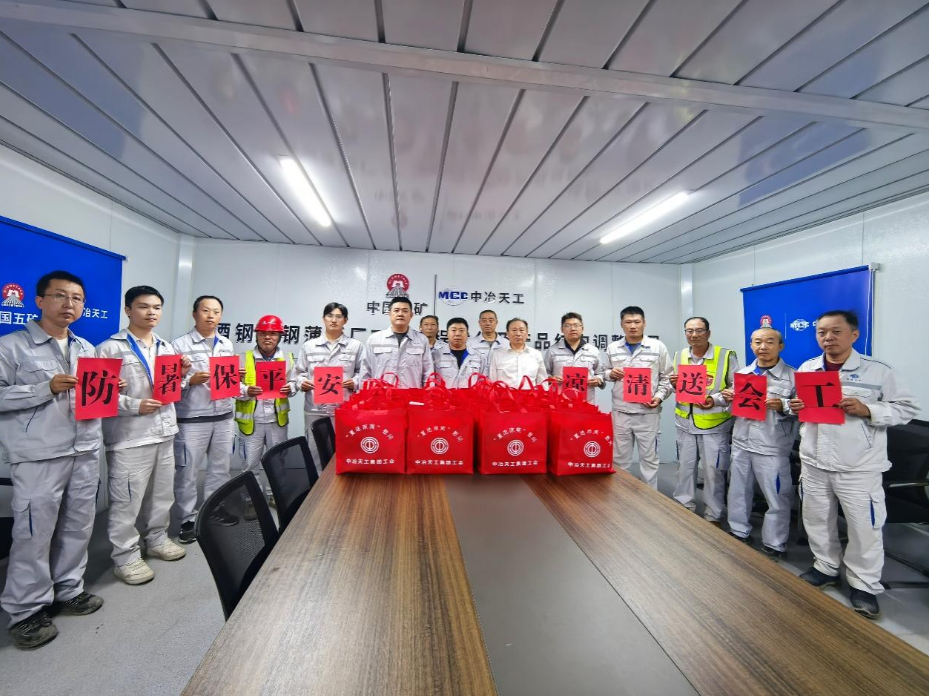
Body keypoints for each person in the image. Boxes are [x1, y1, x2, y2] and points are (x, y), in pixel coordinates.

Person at [790, 310, 918, 619]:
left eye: (835, 331)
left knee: (864, 528)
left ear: (854, 335)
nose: (828, 338)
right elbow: (801, 406)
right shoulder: (809, 368)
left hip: (858, 466)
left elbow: (907, 409)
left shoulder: (878, 371)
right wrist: (795, 406)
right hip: (815, 461)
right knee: (817, 519)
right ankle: (825, 566)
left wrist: (869, 410)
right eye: (821, 332)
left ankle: (863, 584)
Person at [0, 271, 104, 649]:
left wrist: (110, 389)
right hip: (39, 455)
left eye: (76, 298)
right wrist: (43, 388)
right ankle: (26, 610)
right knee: (33, 534)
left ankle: (68, 589)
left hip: (84, 450)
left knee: (78, 526)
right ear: (40, 301)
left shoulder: (86, 348)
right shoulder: (12, 347)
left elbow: (92, 399)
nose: (69, 304)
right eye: (60, 296)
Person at [97, 286, 190, 586]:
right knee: (127, 500)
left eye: (157, 307)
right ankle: (125, 557)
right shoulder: (109, 349)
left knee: (162, 494)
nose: (151, 312)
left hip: (164, 431)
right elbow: (97, 396)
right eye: (143, 306)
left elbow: (173, 388)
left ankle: (157, 539)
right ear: (127, 310)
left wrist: (182, 374)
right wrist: (133, 405)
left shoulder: (166, 347)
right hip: (130, 436)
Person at [722, 327, 797, 558]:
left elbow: (805, 410)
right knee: (738, 490)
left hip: (772, 445)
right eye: (757, 342)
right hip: (742, 442)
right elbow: (732, 408)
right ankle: (738, 530)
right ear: (751, 345)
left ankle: (774, 543)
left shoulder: (793, 377)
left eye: (769, 342)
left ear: (780, 346)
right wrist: (728, 398)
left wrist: (783, 405)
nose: (763, 347)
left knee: (777, 496)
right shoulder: (744, 374)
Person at [171, 295, 238, 545]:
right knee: (188, 471)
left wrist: (239, 381)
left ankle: (215, 510)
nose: (211, 316)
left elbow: (227, 380)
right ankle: (187, 519)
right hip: (192, 418)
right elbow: (169, 384)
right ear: (194, 314)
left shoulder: (226, 344)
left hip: (223, 416)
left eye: (216, 312)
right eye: (206, 311)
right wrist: (190, 380)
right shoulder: (178, 345)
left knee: (220, 468)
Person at [671, 317, 740, 524]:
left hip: (714, 425)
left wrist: (715, 399)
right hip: (685, 423)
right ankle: (684, 506)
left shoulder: (725, 355)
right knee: (685, 468)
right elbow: (678, 387)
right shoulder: (679, 355)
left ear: (708, 333)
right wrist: (674, 384)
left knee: (714, 472)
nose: (694, 335)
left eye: (699, 330)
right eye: (689, 331)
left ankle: (713, 514)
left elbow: (737, 387)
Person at [605, 306, 674, 489]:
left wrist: (659, 397)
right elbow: (604, 372)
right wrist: (610, 373)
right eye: (628, 322)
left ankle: (649, 500)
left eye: (637, 322)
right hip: (621, 412)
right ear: (621, 324)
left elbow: (667, 377)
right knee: (619, 460)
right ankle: (621, 497)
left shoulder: (657, 347)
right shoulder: (613, 348)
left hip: (647, 413)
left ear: (644, 323)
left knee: (649, 461)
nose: (633, 326)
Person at [235, 315, 295, 515]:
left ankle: (274, 495)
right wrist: (246, 391)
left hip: (277, 421)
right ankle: (250, 500)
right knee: (249, 463)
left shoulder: (287, 358)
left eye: (273, 334)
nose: (267, 337)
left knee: (277, 462)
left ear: (280, 337)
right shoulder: (242, 358)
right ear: (256, 335)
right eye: (263, 333)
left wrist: (291, 388)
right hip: (251, 422)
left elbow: (295, 382)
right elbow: (231, 387)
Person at [292, 302, 363, 470]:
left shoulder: (356, 346)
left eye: (339, 316)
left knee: (344, 452)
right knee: (316, 453)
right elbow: (298, 374)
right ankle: (319, 485)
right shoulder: (309, 346)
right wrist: (302, 382)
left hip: (343, 409)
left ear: (345, 320)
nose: (334, 320)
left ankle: (341, 486)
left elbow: (364, 373)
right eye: (330, 316)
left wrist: (355, 382)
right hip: (315, 410)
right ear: (323, 319)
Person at [358, 297, 434, 388]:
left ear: (411, 315)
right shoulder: (374, 339)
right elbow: (365, 371)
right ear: (389, 314)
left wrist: (428, 394)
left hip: (411, 395)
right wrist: (364, 393)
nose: (400, 314)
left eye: (405, 311)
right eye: (396, 310)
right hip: (380, 394)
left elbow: (428, 373)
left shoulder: (421, 340)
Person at [544, 312, 605, 403]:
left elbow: (600, 373)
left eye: (576, 325)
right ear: (562, 329)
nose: (572, 329)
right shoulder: (553, 351)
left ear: (582, 329)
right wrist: (550, 379)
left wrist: (598, 380)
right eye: (568, 325)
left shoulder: (593, 351)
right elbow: (544, 373)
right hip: (559, 401)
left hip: (586, 402)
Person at [489, 318, 547, 387]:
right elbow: (492, 382)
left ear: (527, 333)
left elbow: (543, 383)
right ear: (507, 333)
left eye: (521, 330)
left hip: (530, 394)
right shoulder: (497, 354)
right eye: (514, 330)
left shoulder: (536, 354)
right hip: (504, 393)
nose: (518, 334)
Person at [432, 318, 487, 388]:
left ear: (467, 334)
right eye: (453, 330)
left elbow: (483, 382)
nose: (457, 334)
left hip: (470, 395)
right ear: (447, 333)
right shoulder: (435, 355)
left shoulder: (478, 356)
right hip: (444, 395)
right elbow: (431, 381)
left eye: (461, 330)